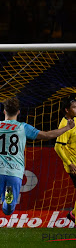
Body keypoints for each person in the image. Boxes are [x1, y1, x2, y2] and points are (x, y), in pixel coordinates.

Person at [0, 97, 75, 242]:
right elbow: (47, 135)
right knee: (8, 210)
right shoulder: (23, 127)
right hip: (15, 173)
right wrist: (67, 128)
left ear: (4, 111)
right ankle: (7, 202)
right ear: (18, 112)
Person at [54, 94, 76, 224]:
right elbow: (57, 147)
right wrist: (69, 163)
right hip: (73, 165)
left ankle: (73, 214)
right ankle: (73, 215)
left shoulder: (74, 120)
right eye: (74, 107)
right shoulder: (65, 125)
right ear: (67, 110)